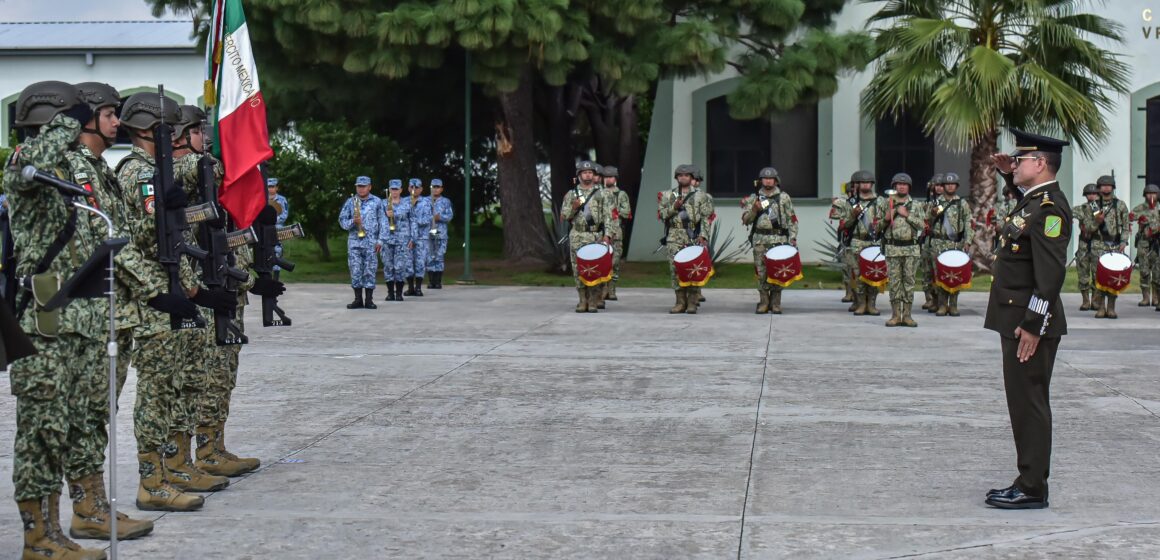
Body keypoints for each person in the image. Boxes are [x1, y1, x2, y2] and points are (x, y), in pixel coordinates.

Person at [4, 80, 128, 560]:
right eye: (83, 116)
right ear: (52, 119)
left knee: (72, 425)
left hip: (76, 321)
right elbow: (26, 170)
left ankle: (57, 529)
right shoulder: (25, 165)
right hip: (43, 324)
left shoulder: (61, 170)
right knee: (41, 432)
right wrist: (70, 118)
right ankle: (37, 536)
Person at [118, 91, 231, 512]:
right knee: (157, 393)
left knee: (177, 387)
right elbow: (155, 237)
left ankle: (173, 467)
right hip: (156, 301)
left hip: (174, 292)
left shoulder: (155, 171)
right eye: (186, 130)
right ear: (153, 130)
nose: (198, 136)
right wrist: (191, 290)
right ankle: (153, 480)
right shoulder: (139, 173)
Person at [65, 82, 160, 540]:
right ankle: (87, 509)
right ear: (85, 117)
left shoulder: (99, 168)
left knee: (101, 411)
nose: (116, 122)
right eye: (107, 114)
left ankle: (97, 505)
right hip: (94, 310)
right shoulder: (78, 169)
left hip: (115, 310)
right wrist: (157, 289)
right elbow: (109, 241)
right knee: (89, 414)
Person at [171, 104, 269, 479]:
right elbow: (189, 172)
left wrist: (250, 279)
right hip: (201, 289)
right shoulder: (182, 171)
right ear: (180, 136)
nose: (206, 138)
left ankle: (213, 445)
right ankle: (190, 456)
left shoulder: (205, 169)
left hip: (225, 283)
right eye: (198, 131)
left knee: (222, 375)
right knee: (202, 378)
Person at [984, 129, 1072, 510]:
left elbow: (1050, 276)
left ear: (1040, 164)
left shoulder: (1050, 208)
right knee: (1022, 402)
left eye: (1020, 160)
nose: (1014, 163)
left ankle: (1032, 486)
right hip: (1017, 318)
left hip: (1028, 323)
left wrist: (1034, 326)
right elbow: (1025, 223)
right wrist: (1008, 176)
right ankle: (1028, 479)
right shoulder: (1036, 202)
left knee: (1030, 403)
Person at [741, 167, 798, 314]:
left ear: (776, 180)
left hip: (778, 239)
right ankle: (764, 302)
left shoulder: (784, 197)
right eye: (765, 178)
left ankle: (776, 303)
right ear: (760, 181)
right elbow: (746, 221)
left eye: (771, 178)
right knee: (761, 272)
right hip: (760, 240)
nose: (768, 180)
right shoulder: (754, 198)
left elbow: (792, 219)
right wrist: (754, 210)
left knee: (777, 271)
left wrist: (792, 238)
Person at [658, 164, 713, 314]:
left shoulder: (701, 196)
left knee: (693, 270)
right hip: (674, 236)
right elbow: (662, 215)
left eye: (686, 175)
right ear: (676, 178)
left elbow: (706, 218)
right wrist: (674, 207)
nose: (683, 177)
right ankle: (680, 302)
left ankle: (692, 302)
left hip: (693, 237)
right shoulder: (668, 195)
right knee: (675, 270)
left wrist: (703, 236)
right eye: (680, 175)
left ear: (691, 178)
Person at [561, 161, 613, 312]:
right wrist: (574, 207)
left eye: (590, 172)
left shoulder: (602, 193)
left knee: (594, 269)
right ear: (579, 175)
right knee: (578, 269)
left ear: (594, 175)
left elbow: (608, 216)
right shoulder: (571, 194)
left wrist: (607, 235)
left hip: (595, 235)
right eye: (584, 172)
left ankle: (593, 301)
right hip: (577, 234)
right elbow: (565, 215)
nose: (588, 175)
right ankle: (582, 300)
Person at [839, 170, 887, 316]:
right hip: (857, 241)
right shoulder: (851, 203)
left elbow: (886, 222)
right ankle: (861, 304)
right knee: (858, 275)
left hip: (874, 241)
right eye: (862, 182)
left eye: (868, 182)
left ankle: (871, 304)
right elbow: (844, 225)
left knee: (872, 273)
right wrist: (853, 217)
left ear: (872, 184)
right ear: (857, 185)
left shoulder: (880, 201)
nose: (865, 184)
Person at [882, 173, 926, 327]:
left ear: (909, 187)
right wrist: (888, 217)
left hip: (911, 248)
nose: (901, 186)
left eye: (904, 184)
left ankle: (907, 315)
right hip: (893, 248)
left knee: (908, 282)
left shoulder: (917, 205)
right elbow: (877, 227)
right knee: (894, 282)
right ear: (894, 187)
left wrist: (907, 215)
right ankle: (895, 315)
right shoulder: (887, 203)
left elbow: (923, 226)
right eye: (898, 184)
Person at [928, 172, 973, 316]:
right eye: (947, 184)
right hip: (938, 242)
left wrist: (968, 240)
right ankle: (942, 305)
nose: (950, 186)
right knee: (940, 274)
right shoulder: (935, 203)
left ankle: (953, 305)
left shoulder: (962, 203)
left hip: (955, 243)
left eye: (952, 184)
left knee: (955, 274)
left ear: (957, 186)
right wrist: (932, 214)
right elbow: (925, 222)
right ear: (943, 186)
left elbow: (968, 222)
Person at [339, 176, 383, 309]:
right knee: (355, 270)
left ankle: (369, 300)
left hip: (371, 242)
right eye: (359, 186)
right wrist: (353, 221)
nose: (361, 188)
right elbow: (342, 221)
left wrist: (380, 240)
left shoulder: (377, 202)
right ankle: (358, 299)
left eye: (364, 186)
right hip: (354, 243)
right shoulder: (350, 202)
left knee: (370, 270)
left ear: (369, 187)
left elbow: (383, 223)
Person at [1090, 175, 1129, 318]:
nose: (1106, 188)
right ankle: (1100, 307)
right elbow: (1088, 227)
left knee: (1113, 277)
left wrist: (1124, 242)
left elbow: (1126, 226)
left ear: (1113, 187)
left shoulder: (1120, 205)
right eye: (1103, 185)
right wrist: (1096, 221)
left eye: (1109, 185)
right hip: (1098, 244)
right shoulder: (1094, 205)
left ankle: (1111, 307)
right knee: (1099, 277)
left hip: (1115, 245)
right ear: (1099, 188)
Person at [600, 166, 632, 301]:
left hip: (616, 231)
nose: (608, 179)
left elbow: (627, 212)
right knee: (601, 261)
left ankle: (611, 288)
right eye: (606, 177)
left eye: (611, 177)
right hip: (601, 231)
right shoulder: (598, 193)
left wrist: (615, 210)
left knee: (615, 262)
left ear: (615, 179)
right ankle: (602, 288)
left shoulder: (621, 194)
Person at [381, 179, 413, 302]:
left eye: (396, 189)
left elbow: (413, 220)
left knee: (400, 266)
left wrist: (412, 238)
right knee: (388, 266)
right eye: (392, 189)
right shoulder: (383, 203)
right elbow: (377, 220)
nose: (394, 191)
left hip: (402, 239)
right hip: (387, 238)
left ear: (400, 190)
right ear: (389, 190)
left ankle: (399, 293)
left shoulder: (407, 203)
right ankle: (390, 293)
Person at [920, 174, 945, 312]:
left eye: (942, 185)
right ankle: (930, 298)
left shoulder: (951, 202)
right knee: (927, 271)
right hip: (929, 241)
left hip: (943, 241)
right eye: (937, 185)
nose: (940, 188)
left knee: (939, 272)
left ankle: (940, 301)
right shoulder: (929, 204)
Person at [1130, 184, 1159, 306]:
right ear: (1144, 195)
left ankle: (1156, 298)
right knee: (1144, 271)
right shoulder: (1140, 208)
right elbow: (1130, 217)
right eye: (1148, 193)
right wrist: (1134, 219)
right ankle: (1146, 297)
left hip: (1157, 244)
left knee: (1158, 272)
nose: (1151, 195)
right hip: (1144, 243)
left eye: (1154, 193)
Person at [1073, 183, 1099, 310]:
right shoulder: (1081, 208)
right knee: (1083, 274)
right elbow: (1068, 213)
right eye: (1089, 193)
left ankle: (1095, 301)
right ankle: (1085, 301)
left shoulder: (1100, 209)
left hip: (1097, 245)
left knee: (1097, 275)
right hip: (1083, 245)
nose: (1091, 196)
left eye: (1094, 193)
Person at [404, 178, 431, 297]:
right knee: (408, 262)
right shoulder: (404, 202)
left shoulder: (426, 202)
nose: (414, 190)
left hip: (421, 237)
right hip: (406, 237)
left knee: (420, 262)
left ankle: (418, 288)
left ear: (421, 189)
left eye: (417, 188)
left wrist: (413, 220)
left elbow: (427, 219)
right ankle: (410, 287)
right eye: (412, 187)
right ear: (408, 188)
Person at [427, 179, 454, 289]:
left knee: (439, 256)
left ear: (441, 189)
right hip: (428, 232)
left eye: (438, 187)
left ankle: (438, 281)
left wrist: (440, 217)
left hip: (441, 232)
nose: (435, 189)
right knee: (429, 256)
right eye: (434, 187)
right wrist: (430, 218)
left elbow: (450, 216)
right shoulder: (425, 201)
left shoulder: (446, 201)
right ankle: (431, 281)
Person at [267, 177, 288, 279]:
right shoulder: (263, 199)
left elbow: (284, 215)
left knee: (277, 252)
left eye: (272, 187)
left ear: (276, 188)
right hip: (265, 229)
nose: (270, 189)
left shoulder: (282, 200)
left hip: (277, 229)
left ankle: (276, 278)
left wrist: (273, 220)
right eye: (268, 187)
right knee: (265, 253)